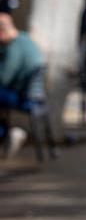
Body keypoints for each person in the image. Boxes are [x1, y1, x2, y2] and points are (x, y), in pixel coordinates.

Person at [0, 13, 44, 158]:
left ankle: (6, 134)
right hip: (35, 97)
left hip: (27, 99)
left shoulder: (15, 46)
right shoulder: (25, 39)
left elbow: (4, 78)